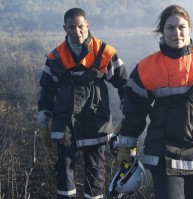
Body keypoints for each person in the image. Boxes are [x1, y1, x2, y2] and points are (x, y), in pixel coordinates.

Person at [116, 5, 193, 199]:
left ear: (190, 28)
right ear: (162, 31)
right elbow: (134, 112)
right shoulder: (147, 67)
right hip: (162, 152)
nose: (177, 33)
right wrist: (126, 145)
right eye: (170, 27)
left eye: (181, 27)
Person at [37, 8, 128, 199]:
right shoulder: (56, 57)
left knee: (95, 174)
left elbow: (124, 84)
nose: (77, 32)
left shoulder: (105, 53)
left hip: (96, 121)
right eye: (72, 27)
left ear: (87, 25)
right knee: (64, 169)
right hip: (65, 122)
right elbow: (47, 92)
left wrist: (127, 117)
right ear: (65, 28)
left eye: (80, 26)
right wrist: (44, 124)